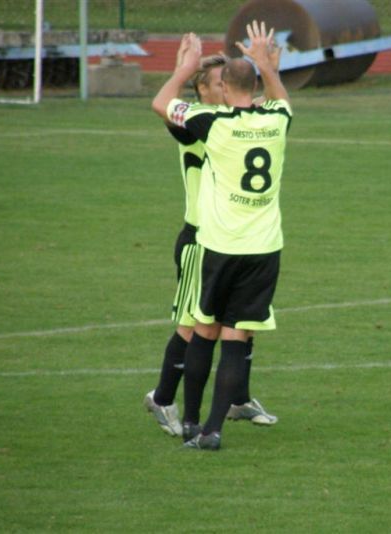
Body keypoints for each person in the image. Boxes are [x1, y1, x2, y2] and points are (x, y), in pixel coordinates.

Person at [151, 20, 291, 451]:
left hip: (220, 244)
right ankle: (194, 417)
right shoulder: (275, 119)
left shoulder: (210, 123)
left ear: (225, 88)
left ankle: (199, 419)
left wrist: (183, 67)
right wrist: (268, 66)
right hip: (255, 246)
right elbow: (279, 100)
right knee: (225, 334)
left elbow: (162, 103)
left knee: (209, 331)